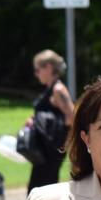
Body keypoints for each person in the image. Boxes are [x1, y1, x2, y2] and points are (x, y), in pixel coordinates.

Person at [26, 49, 75, 192]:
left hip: (51, 149)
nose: (36, 74)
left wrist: (56, 134)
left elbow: (71, 116)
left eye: (37, 69)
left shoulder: (58, 89)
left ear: (48, 67)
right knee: (38, 189)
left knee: (40, 190)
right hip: (44, 149)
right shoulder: (51, 89)